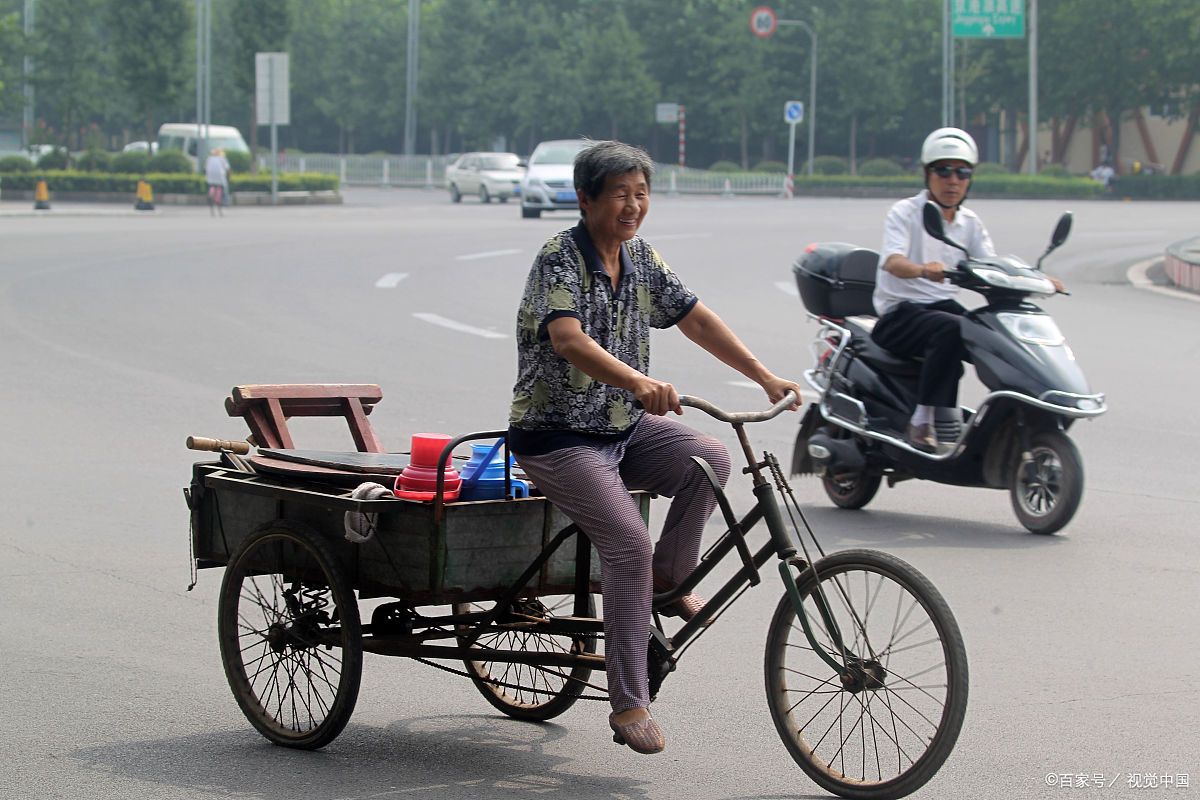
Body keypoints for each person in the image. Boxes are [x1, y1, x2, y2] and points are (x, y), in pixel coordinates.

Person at [507, 140, 801, 755]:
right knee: (626, 544)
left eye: (641, 193)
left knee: (710, 457)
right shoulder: (558, 258)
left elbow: (694, 317)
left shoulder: (640, 258)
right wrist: (638, 381)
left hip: (621, 427)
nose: (633, 205)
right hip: (558, 437)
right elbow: (568, 340)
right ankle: (629, 701)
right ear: (586, 199)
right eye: (619, 193)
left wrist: (764, 376)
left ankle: (668, 576)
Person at [871, 127, 1064, 451]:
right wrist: (922, 269)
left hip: (941, 307)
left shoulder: (970, 223)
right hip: (899, 313)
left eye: (962, 172)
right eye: (943, 170)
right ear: (927, 174)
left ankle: (1015, 416)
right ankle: (921, 421)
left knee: (996, 336)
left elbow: (992, 265)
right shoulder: (905, 212)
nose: (953, 180)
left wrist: (1037, 280)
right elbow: (892, 261)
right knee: (953, 330)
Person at [204, 147, 230, 216]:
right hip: (220, 178)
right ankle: (224, 204)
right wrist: (228, 179)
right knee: (224, 191)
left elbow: (206, 169)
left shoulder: (209, 158)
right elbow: (227, 169)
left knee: (212, 190)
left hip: (211, 179)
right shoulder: (222, 159)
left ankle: (212, 207)